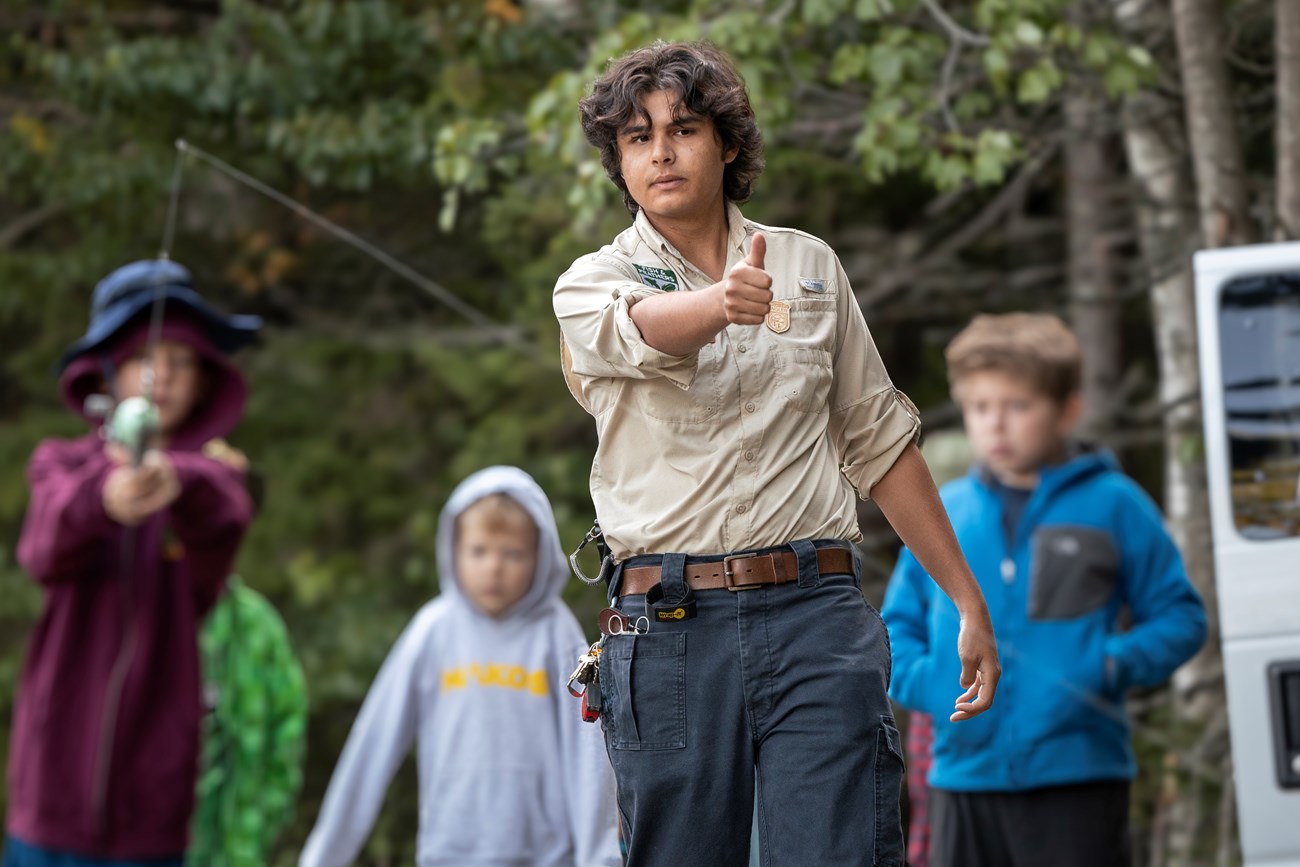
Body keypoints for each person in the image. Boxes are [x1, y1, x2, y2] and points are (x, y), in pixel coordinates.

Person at [552, 41, 999, 867]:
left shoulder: (809, 266)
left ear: (725, 143)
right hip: (668, 629)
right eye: (637, 137)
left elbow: (879, 440)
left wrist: (966, 598)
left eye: (682, 128)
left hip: (817, 614)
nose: (661, 151)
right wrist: (719, 305)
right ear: (619, 161)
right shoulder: (589, 282)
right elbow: (643, 327)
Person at [881, 313, 1208, 867]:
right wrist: (934, 683)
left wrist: (1107, 666)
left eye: (1019, 406)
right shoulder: (945, 513)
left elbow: (1180, 617)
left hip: (1079, 775)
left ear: (1068, 409)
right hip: (963, 779)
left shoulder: (1114, 504)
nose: (997, 425)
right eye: (981, 408)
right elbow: (895, 628)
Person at [4, 260, 260, 866]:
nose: (162, 375)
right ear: (109, 370)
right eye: (147, 357)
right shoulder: (59, 464)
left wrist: (179, 479)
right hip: (51, 786)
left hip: (155, 795)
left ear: (204, 380)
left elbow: (227, 514)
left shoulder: (211, 479)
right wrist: (103, 496)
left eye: (181, 360)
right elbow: (41, 546)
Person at [298, 466, 621, 867]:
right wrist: (323, 857)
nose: (494, 567)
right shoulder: (433, 630)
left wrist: (599, 859)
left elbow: (586, 757)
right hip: (448, 851)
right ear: (454, 550)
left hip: (547, 855)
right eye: (479, 550)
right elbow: (374, 739)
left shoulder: (555, 634)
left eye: (512, 553)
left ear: (539, 556)